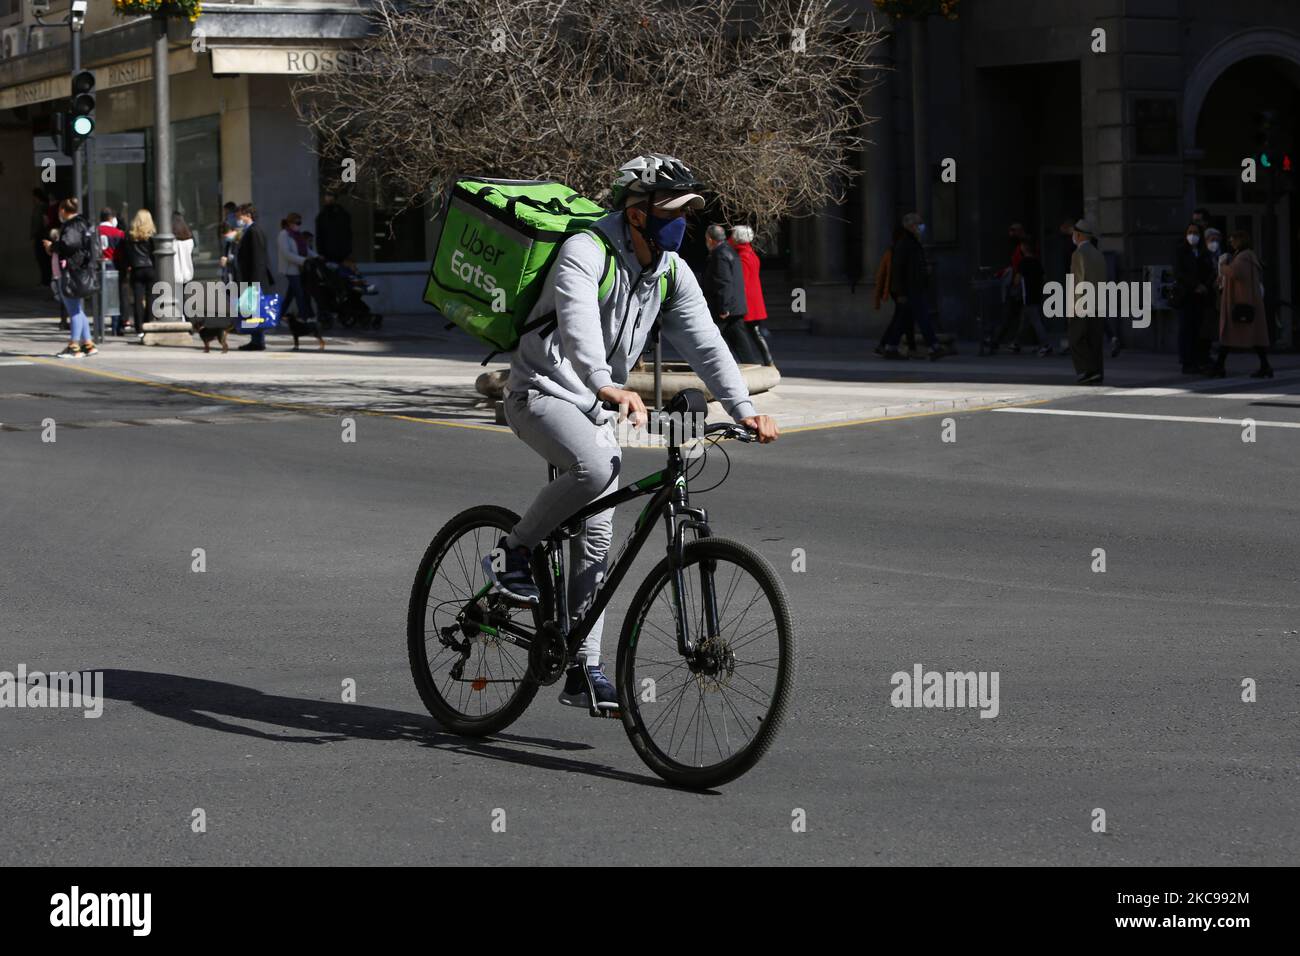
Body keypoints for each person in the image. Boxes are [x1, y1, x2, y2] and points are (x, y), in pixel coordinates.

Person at [488, 152, 778, 713]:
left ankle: (582, 668)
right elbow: (576, 330)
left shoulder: (670, 269)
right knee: (597, 467)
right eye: (670, 211)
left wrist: (743, 408)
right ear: (636, 212)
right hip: (542, 392)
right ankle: (514, 551)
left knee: (596, 536)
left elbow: (707, 344)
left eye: (687, 213)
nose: (681, 222)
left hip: (597, 406)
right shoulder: (586, 250)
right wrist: (605, 385)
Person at [879, 212, 942, 360]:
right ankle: (934, 347)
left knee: (903, 319)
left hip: (913, 287)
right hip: (910, 289)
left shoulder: (912, 242)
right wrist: (900, 293)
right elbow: (898, 270)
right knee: (922, 318)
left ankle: (890, 347)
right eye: (918, 224)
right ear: (910, 226)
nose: (921, 226)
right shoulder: (906, 243)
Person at [1209, 230, 1271, 378]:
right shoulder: (1247, 255)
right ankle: (1265, 366)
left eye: (1233, 239)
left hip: (1238, 302)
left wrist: (1222, 266)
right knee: (1253, 338)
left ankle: (1219, 367)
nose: (1231, 242)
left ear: (1240, 240)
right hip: (1245, 301)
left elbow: (1236, 273)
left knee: (1228, 336)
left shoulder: (1244, 256)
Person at [45, 198, 99, 358]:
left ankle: (74, 346)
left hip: (72, 271)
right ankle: (88, 344)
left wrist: (52, 247)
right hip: (79, 270)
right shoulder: (83, 223)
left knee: (73, 309)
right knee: (77, 309)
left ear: (63, 210)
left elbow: (69, 244)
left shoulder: (72, 224)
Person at [702, 223, 757, 363]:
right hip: (734, 307)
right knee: (739, 344)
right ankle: (750, 370)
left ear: (710, 239)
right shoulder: (730, 251)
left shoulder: (720, 254)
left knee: (710, 341)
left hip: (726, 310)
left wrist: (723, 307)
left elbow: (723, 282)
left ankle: (719, 368)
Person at [1069, 218, 1107, 384]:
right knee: (1094, 340)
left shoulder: (1079, 254)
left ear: (1078, 235)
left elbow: (1078, 280)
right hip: (1099, 304)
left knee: (1076, 339)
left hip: (1083, 303)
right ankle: (1097, 371)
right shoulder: (1098, 253)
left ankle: (1086, 371)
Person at [1172, 221, 1213, 374]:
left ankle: (1196, 359)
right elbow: (1179, 273)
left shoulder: (1204, 252)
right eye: (1190, 232)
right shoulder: (1181, 251)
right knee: (1185, 329)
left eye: (1195, 233)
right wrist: (1195, 285)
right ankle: (1186, 361)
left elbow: (1210, 271)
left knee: (1197, 329)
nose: (1192, 236)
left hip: (1200, 296)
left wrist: (1204, 286)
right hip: (1186, 295)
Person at [731, 225, 774, 366]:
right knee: (755, 332)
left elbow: (740, 281)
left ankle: (762, 360)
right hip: (754, 300)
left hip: (747, 300)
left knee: (749, 333)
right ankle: (768, 360)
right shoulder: (751, 254)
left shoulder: (742, 257)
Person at [235, 203, 275, 351]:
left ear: (248, 215)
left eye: (239, 216)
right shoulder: (249, 231)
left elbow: (258, 258)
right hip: (251, 278)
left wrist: (254, 282)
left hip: (254, 279)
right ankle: (256, 339)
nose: (238, 219)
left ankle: (258, 341)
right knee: (253, 310)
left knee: (256, 310)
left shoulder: (254, 231)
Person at [873, 224, 917, 356]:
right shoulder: (895, 251)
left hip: (899, 289)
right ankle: (888, 345)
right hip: (899, 290)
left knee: (905, 317)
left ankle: (910, 347)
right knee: (901, 318)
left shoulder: (898, 250)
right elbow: (885, 274)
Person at [277, 213, 317, 339]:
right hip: (290, 269)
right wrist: (303, 260)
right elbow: (286, 253)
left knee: (291, 294)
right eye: (296, 223)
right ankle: (304, 318)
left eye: (300, 223)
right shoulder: (284, 235)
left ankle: (278, 316)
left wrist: (316, 256)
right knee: (299, 293)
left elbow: (305, 249)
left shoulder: (297, 235)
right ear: (289, 223)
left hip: (298, 269)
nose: (298, 225)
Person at [1012, 236, 1052, 355]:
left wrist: (1015, 285)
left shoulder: (1023, 263)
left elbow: (1017, 280)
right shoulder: (1037, 262)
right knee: (1024, 321)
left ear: (1024, 248)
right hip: (1037, 294)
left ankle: (1046, 344)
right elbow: (1044, 277)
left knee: (1035, 321)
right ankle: (1016, 343)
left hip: (1027, 296)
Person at [123, 209, 157, 337]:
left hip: (136, 268)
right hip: (150, 268)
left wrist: (129, 265)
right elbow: (154, 253)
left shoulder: (130, 235)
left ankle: (139, 327)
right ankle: (148, 322)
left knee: (137, 298)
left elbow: (127, 253)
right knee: (150, 297)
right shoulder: (152, 236)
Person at [314, 191, 353, 264]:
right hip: (330, 253)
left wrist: (348, 251)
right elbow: (319, 235)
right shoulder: (322, 216)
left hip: (340, 252)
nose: (328, 199)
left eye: (330, 197)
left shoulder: (343, 215)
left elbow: (348, 234)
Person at [173, 213, 195, 319]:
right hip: (187, 272)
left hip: (175, 272)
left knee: (176, 298)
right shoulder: (190, 241)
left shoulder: (172, 242)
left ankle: (179, 318)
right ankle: (188, 320)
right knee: (186, 298)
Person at [32, 189, 54, 287]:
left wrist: (35, 233)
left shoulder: (41, 207)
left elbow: (41, 222)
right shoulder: (43, 207)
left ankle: (46, 280)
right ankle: (45, 280)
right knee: (43, 259)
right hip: (42, 234)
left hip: (42, 235)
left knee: (43, 258)